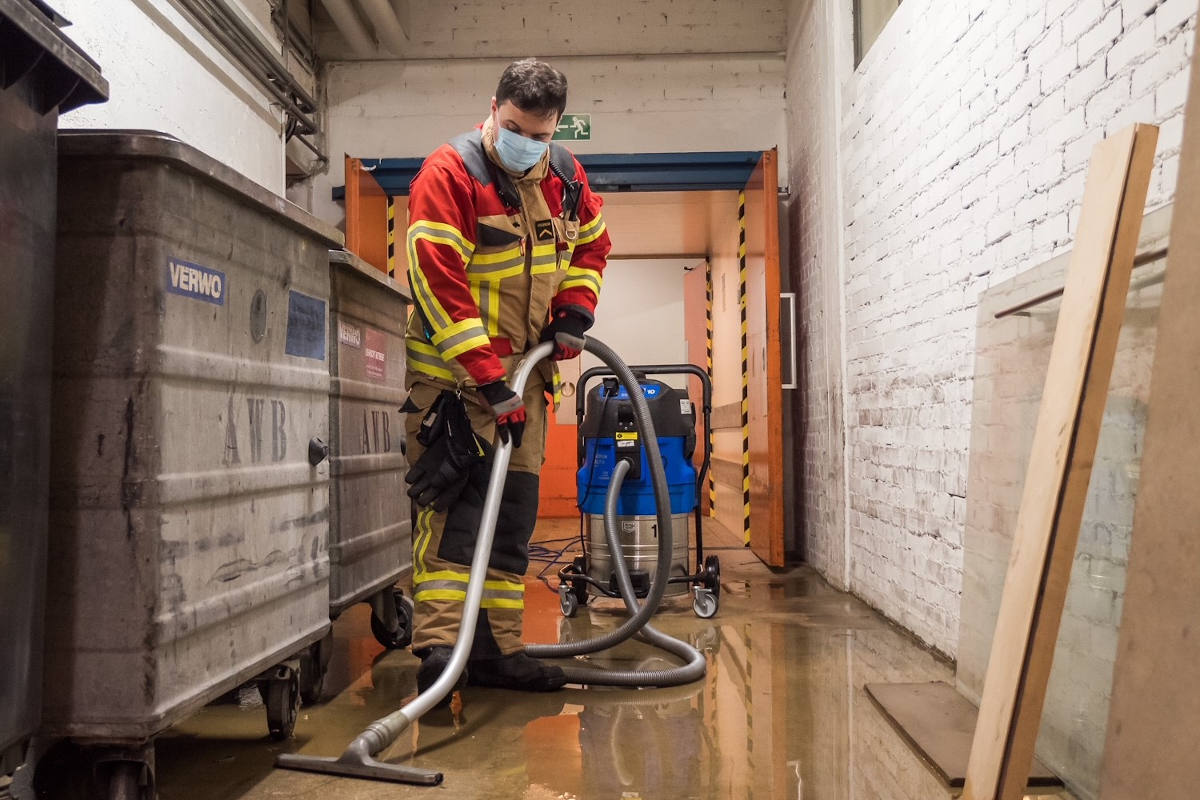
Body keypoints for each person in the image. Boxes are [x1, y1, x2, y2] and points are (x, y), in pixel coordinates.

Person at [401, 58, 611, 696]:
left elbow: (592, 245)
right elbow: (436, 281)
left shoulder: (565, 178)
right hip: (456, 388)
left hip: (525, 390)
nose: (527, 144)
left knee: (512, 520)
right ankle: (442, 651)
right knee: (456, 519)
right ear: (494, 109)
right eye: (515, 129)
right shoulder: (451, 173)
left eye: (541, 135)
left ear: (557, 128)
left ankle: (496, 650)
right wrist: (489, 380)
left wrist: (574, 309)